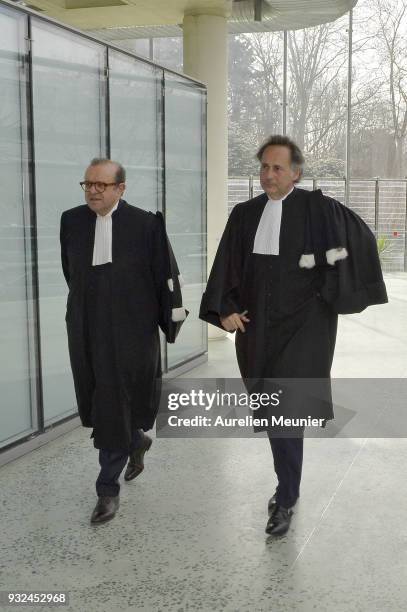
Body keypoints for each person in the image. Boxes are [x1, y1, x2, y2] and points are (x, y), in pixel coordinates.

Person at [199, 135, 387, 536]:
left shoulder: (319, 210)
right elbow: (227, 266)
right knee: (270, 408)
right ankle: (289, 484)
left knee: (286, 409)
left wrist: (326, 282)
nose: (268, 175)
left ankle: (285, 497)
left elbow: (358, 244)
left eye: (277, 168)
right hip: (257, 327)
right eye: (264, 167)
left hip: (305, 326)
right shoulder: (244, 214)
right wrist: (225, 309)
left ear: (296, 173)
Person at [60, 158, 187, 525]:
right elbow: (72, 273)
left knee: (115, 398)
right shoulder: (71, 221)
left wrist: (168, 323)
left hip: (132, 330)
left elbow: (166, 276)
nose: (93, 191)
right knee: (102, 396)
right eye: (88, 185)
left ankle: (107, 489)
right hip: (86, 326)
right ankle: (136, 440)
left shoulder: (146, 224)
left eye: (101, 185)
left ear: (121, 188)